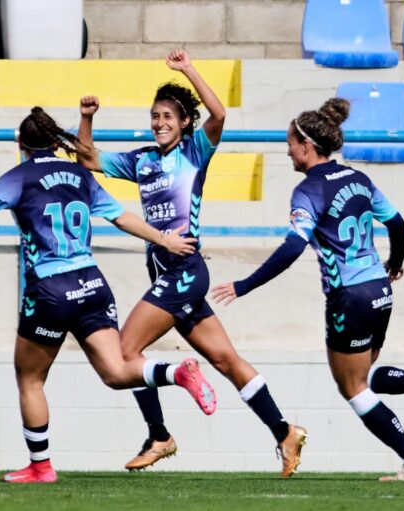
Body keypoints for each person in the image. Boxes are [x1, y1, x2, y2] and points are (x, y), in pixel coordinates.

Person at [0, 106, 217, 484]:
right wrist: (164, 238)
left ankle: (41, 466)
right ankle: (176, 372)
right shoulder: (79, 175)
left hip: (50, 289)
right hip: (93, 284)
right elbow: (122, 217)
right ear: (56, 142)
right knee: (117, 372)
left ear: (21, 144)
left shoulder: (19, 177)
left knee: (30, 379)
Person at [212, 98, 404, 482]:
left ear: (306, 144)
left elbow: (293, 247)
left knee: (352, 387)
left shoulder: (307, 191)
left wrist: (245, 285)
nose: (287, 151)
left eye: (289, 144)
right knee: (366, 376)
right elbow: (397, 224)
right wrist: (394, 264)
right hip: (380, 290)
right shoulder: (359, 179)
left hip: (348, 295)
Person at [79, 50, 307, 477]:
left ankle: (159, 436)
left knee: (125, 352)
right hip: (167, 273)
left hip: (185, 271)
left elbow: (218, 113)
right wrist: (87, 116)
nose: (159, 123)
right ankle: (284, 431)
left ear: (184, 123)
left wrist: (187, 69)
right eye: (154, 116)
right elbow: (88, 159)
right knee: (226, 361)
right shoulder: (142, 160)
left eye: (167, 116)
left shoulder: (194, 151)